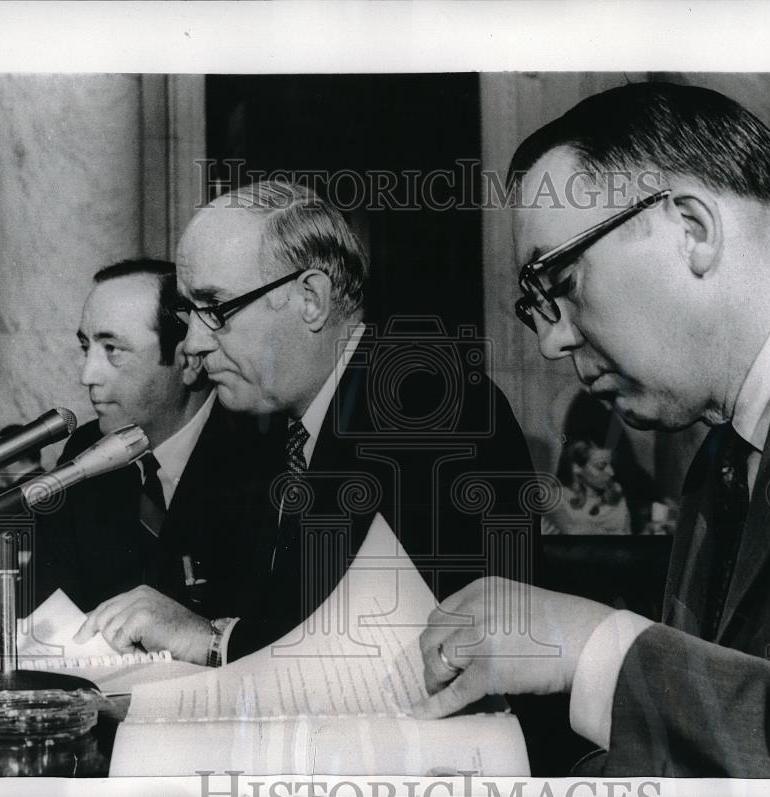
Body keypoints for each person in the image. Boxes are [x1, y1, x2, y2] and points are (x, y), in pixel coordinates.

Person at [414, 82, 770, 778]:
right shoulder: (724, 454)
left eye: (563, 280)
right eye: (534, 307)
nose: (550, 343)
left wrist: (594, 647)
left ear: (692, 229)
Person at [76, 181, 541, 666]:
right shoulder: (268, 429)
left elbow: (406, 650)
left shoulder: (431, 407)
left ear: (311, 299)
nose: (192, 343)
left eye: (214, 309)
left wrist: (216, 642)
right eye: (188, 313)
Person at [33, 259, 282, 665]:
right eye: (86, 347)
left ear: (188, 361)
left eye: (112, 349)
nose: (87, 374)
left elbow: (276, 635)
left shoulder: (266, 454)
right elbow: (53, 610)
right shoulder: (85, 451)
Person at [545, 438, 630, 535]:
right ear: (577, 468)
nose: (611, 472)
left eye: (611, 465)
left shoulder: (618, 499)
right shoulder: (558, 499)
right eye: (601, 467)